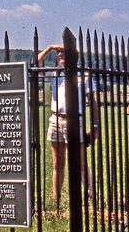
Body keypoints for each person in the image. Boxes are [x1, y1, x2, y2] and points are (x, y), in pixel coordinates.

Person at [36, 44, 99, 213]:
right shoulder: (55, 73)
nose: (60, 56)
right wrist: (49, 48)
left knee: (80, 163)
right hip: (56, 120)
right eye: (58, 54)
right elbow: (36, 63)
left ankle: (92, 199)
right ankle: (55, 200)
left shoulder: (84, 75)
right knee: (57, 163)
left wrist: (95, 126)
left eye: (64, 53)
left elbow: (93, 102)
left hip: (74, 121)